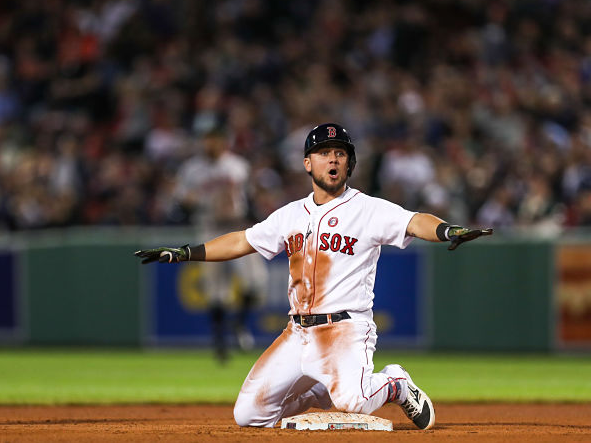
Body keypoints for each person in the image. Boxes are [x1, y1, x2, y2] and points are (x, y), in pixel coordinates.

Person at [135, 123, 492, 430]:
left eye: (340, 153)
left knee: (354, 401)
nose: (333, 159)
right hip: (297, 332)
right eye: (323, 153)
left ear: (350, 163)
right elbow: (242, 240)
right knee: (249, 415)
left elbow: (414, 221)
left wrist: (445, 230)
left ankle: (395, 383)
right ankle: (323, 389)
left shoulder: (368, 209)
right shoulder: (290, 214)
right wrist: (186, 252)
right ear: (308, 163)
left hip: (345, 330)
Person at [174, 128, 268, 362]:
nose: (211, 143)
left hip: (237, 227)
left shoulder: (237, 165)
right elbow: (180, 202)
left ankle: (238, 323)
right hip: (209, 228)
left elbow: (250, 198)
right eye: (208, 138)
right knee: (216, 291)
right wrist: (194, 201)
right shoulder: (191, 169)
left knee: (256, 284)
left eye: (216, 138)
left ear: (224, 141)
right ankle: (220, 343)